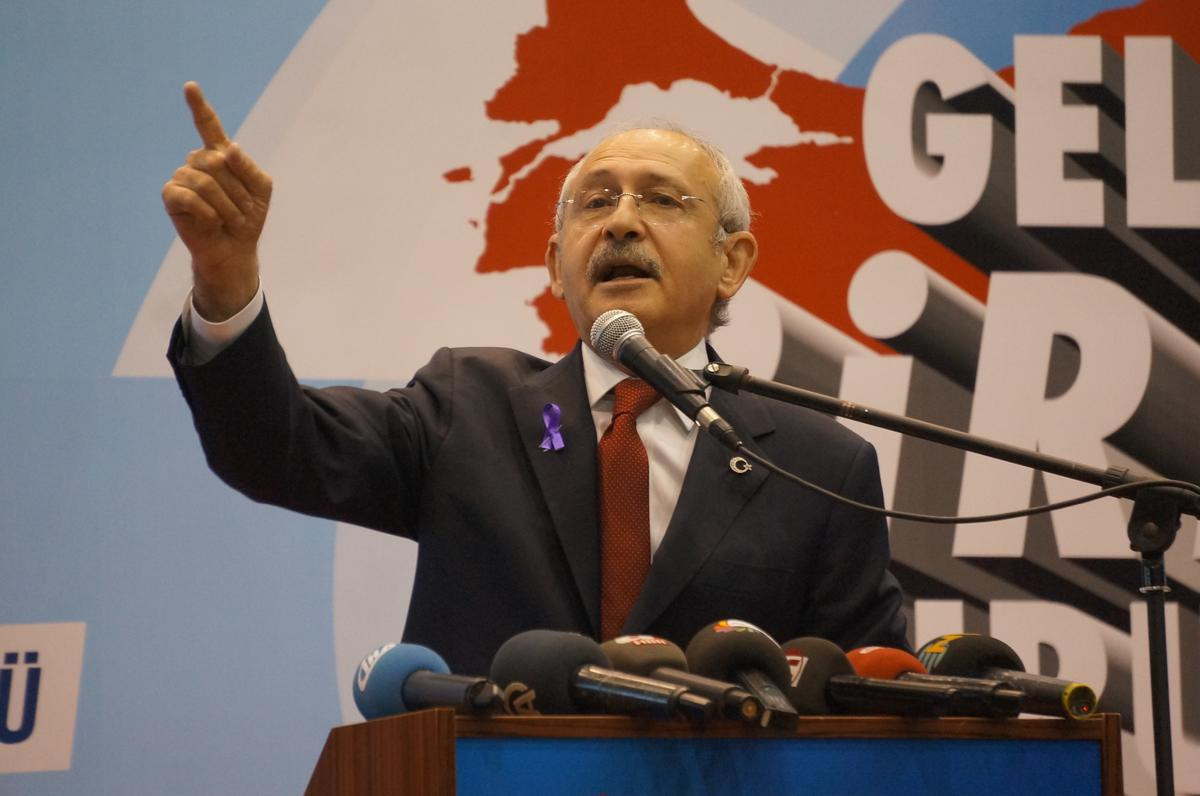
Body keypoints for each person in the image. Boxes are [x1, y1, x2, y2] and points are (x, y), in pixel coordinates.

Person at [164, 82, 908, 675]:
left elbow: (867, 699)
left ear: (732, 262)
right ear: (556, 266)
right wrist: (226, 284)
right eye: (596, 202)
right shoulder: (467, 407)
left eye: (660, 200)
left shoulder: (817, 468)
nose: (621, 223)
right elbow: (277, 449)